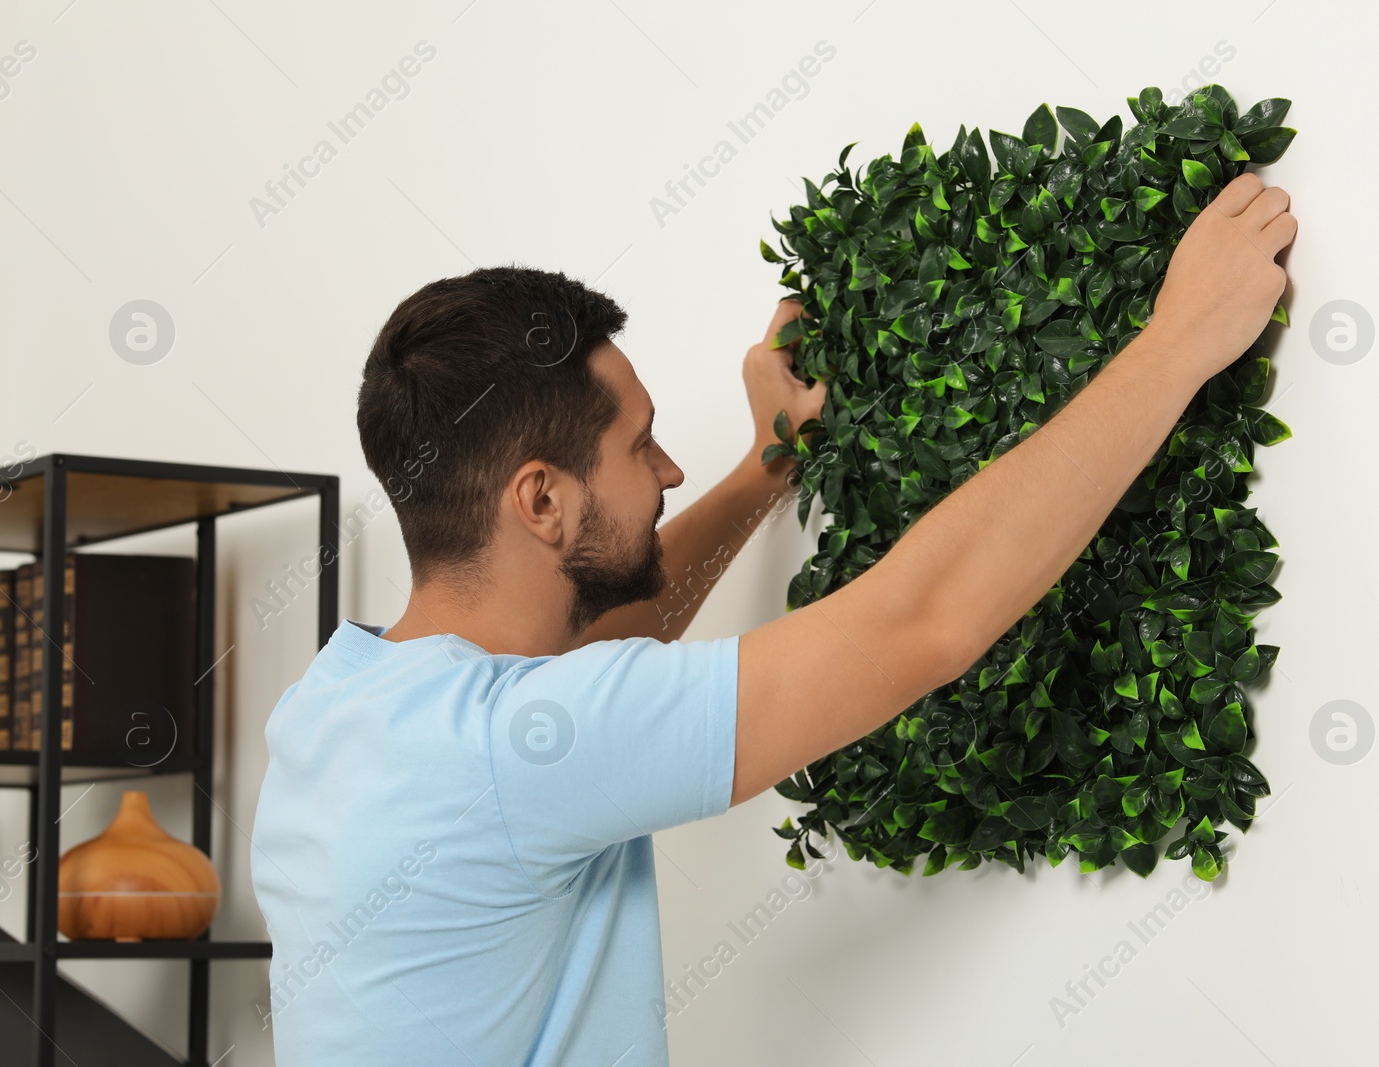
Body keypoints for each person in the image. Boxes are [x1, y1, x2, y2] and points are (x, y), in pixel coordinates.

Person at [249, 170, 1296, 1065]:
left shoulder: (339, 708)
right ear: (540, 500)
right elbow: (919, 620)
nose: (666, 469)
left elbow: (580, 684)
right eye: (639, 445)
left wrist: (767, 467)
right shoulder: (504, 759)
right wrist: (1176, 343)